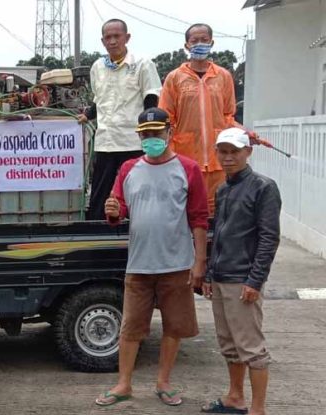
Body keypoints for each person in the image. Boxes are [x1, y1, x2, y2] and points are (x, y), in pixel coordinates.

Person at [95, 107, 208, 407]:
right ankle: (123, 384)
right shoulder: (128, 169)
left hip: (177, 264)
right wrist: (113, 211)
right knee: (130, 328)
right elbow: (117, 208)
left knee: (174, 327)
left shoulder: (188, 169)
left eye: (156, 133)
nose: (151, 138)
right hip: (139, 265)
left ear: (170, 133)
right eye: (145, 134)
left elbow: (198, 219)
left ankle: (164, 382)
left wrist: (199, 263)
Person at [201, 128, 281, 415]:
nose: (228, 157)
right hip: (221, 277)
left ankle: (258, 409)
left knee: (251, 348)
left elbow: (269, 237)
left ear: (248, 152)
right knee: (229, 344)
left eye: (234, 151)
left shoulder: (263, 187)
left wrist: (255, 280)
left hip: (243, 280)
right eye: (223, 151)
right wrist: (209, 273)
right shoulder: (223, 189)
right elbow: (218, 235)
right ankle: (235, 397)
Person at [159, 23, 256, 215]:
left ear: (212, 42)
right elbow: (166, 118)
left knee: (218, 211)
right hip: (185, 157)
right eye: (194, 41)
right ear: (186, 45)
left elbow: (228, 116)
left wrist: (243, 132)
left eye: (204, 40)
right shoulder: (174, 78)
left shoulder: (223, 76)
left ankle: (216, 246)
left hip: (217, 157)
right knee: (186, 209)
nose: (200, 44)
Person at [77, 18, 162, 220]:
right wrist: (88, 115)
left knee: (138, 190)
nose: (113, 41)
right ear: (103, 41)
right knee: (100, 192)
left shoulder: (142, 64)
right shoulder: (97, 67)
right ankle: (95, 236)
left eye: (117, 36)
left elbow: (151, 99)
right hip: (106, 141)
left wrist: (149, 134)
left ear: (127, 37)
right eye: (108, 37)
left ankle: (140, 227)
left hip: (133, 140)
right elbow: (101, 100)